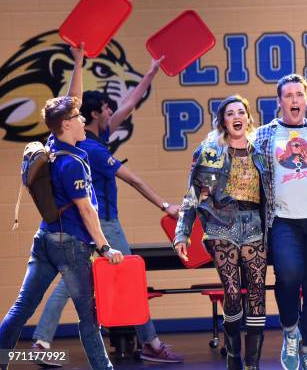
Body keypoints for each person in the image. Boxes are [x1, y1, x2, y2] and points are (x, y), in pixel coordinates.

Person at [31, 56, 183, 364]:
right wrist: (166, 206)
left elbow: (128, 103)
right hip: (101, 223)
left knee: (70, 281)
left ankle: (41, 343)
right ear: (94, 114)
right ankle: (150, 342)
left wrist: (151, 71)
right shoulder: (93, 149)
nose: (113, 111)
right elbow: (134, 180)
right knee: (127, 279)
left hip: (86, 223)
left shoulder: (85, 136)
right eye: (107, 109)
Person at [0, 44, 123, 370]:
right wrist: (104, 246)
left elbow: (72, 102)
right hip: (70, 243)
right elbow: (87, 210)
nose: (83, 118)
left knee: (22, 307)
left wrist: (79, 62)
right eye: (78, 117)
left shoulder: (55, 143)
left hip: (45, 240)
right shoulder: (71, 164)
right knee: (88, 315)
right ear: (67, 124)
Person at [175, 95, 267, 370]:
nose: (237, 117)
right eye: (230, 113)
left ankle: (252, 363)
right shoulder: (210, 151)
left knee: (257, 292)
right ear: (223, 121)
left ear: (248, 118)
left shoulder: (261, 149)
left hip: (254, 223)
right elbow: (192, 194)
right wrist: (182, 231)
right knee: (232, 291)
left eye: (241, 112)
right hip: (220, 223)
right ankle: (233, 355)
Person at [252, 74, 307, 370]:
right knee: (288, 276)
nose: (294, 100)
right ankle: (290, 330)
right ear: (279, 102)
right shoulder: (263, 136)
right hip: (284, 219)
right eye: (288, 96)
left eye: (299, 94)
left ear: (306, 99)